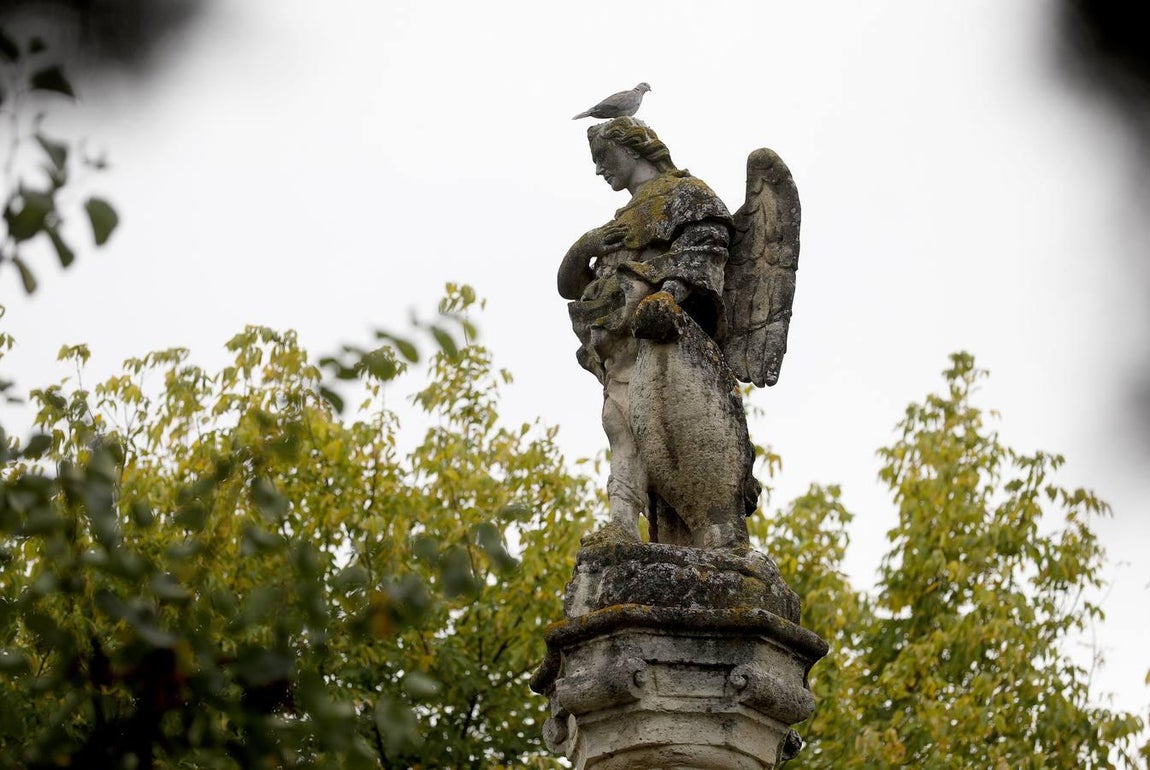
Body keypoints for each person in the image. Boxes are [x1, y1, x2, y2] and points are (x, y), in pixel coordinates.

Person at [558, 117, 742, 544]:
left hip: (661, 343)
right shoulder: (620, 220)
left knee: (665, 430)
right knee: (617, 426)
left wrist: (670, 294)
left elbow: (706, 246)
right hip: (618, 348)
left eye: (603, 157)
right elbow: (571, 285)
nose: (599, 169)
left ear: (633, 148)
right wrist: (587, 247)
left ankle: (708, 527)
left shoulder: (686, 194)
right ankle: (621, 525)